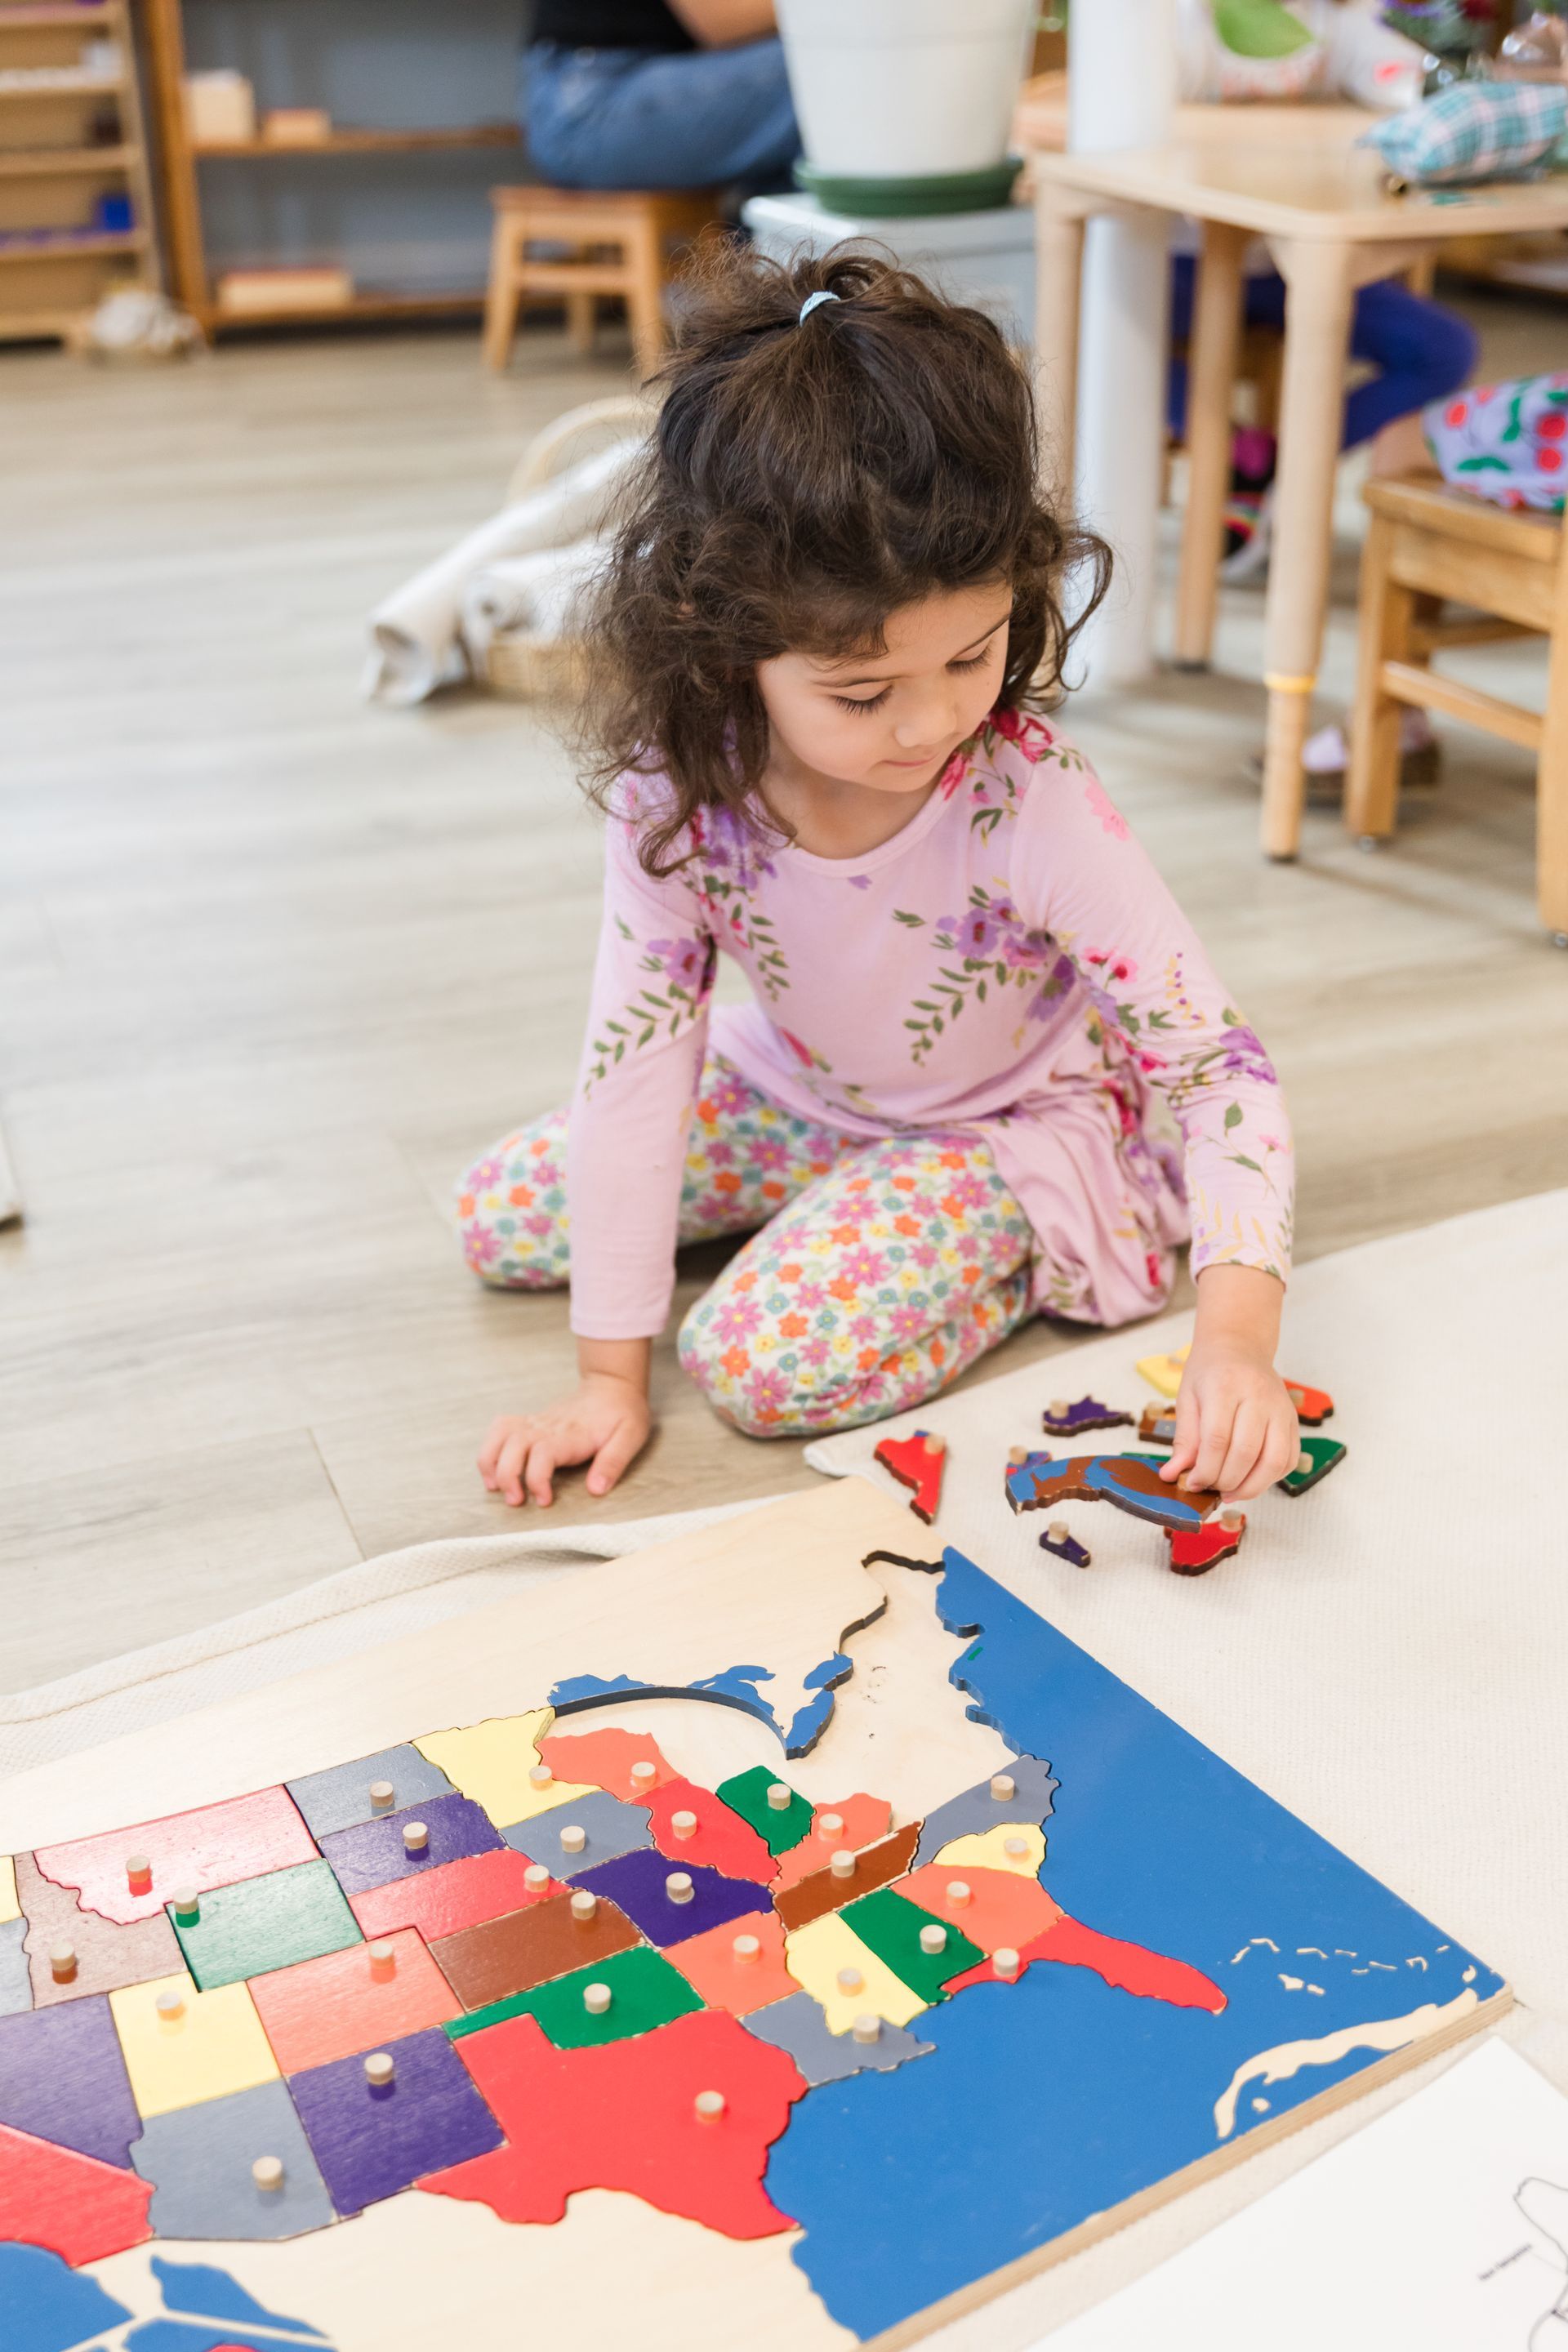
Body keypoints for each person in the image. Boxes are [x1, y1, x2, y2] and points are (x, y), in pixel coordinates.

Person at [456, 246, 1301, 1516]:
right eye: (861, 694)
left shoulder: (1027, 794)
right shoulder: (675, 786)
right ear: (724, 645)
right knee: (500, 1217)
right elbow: (636, 1062)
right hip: (808, 1081)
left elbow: (1216, 1066)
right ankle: (846, 1190)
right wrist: (604, 1381)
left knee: (752, 1366)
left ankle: (1063, 1230)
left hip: (1009, 1118)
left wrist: (1236, 1344)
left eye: (975, 655)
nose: (932, 725)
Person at [1170, 0, 1477, 581]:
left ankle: (1285, 461)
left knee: (1444, 349)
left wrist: (1425, 91)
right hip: (1186, 258)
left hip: (1301, 260)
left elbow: (1398, 75)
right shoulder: (1185, 23)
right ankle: (1236, 453)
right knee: (1108, 326)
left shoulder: (1332, 23)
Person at [523, 0, 800, 194]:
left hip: (632, 76)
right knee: (813, 70)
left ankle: (770, 252)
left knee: (812, 70)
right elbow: (719, 21)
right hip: (589, 103)